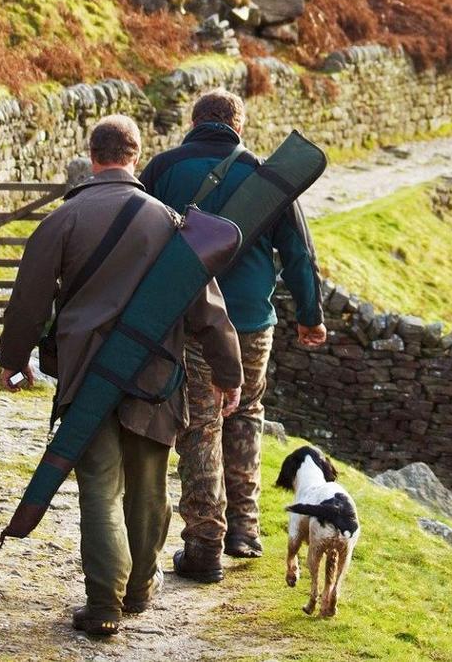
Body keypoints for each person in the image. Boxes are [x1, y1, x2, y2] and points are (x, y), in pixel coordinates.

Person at [0, 114, 243, 635]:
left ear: (93, 156)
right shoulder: (170, 222)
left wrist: (14, 360)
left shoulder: (63, 219)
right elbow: (208, 310)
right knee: (149, 488)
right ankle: (138, 591)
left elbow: (28, 301)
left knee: (99, 487)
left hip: (86, 373)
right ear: (136, 156)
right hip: (154, 376)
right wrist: (230, 374)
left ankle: (104, 603)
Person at [140, 88, 327, 582]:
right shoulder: (267, 177)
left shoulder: (162, 169)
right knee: (246, 415)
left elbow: (136, 236)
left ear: (194, 121)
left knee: (201, 422)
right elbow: (299, 255)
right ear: (238, 126)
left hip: (191, 318)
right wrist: (310, 317)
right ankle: (244, 530)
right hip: (250, 322)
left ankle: (205, 543)